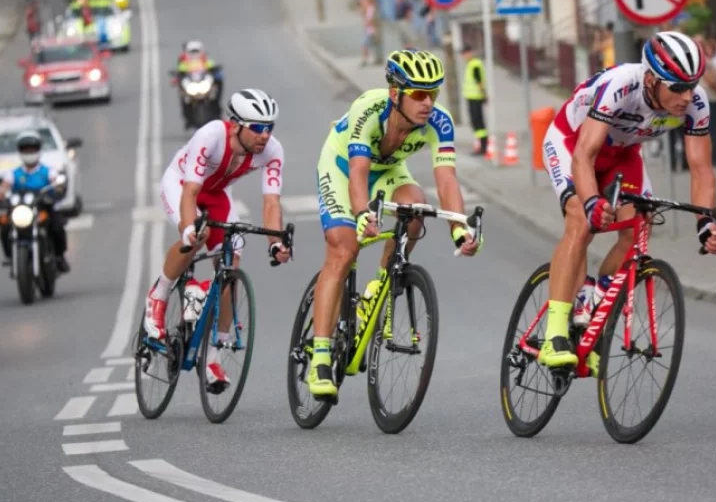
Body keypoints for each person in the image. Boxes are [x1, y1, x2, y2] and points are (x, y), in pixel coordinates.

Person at [539, 31, 716, 369]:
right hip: (572, 144)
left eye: (692, 85)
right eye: (677, 87)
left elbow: (701, 170)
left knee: (638, 229)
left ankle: (594, 300)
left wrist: (706, 223)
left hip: (623, 154)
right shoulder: (621, 85)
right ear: (652, 79)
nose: (687, 96)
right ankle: (554, 334)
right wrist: (591, 202)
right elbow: (585, 155)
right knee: (581, 222)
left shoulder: (696, 102)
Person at [308, 49, 483, 398]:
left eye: (433, 93)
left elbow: (446, 180)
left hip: (387, 170)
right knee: (343, 249)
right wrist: (363, 215)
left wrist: (460, 228)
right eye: (419, 94)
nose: (428, 102)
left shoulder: (439, 122)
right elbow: (358, 172)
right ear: (395, 93)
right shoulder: (369, 109)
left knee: (416, 209)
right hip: (343, 167)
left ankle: (381, 281)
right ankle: (321, 357)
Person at [143, 89, 292, 393]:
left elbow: (271, 203)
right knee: (201, 235)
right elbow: (190, 194)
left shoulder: (273, 151)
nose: (265, 136)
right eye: (258, 128)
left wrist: (275, 243)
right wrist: (188, 229)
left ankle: (213, 356)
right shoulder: (210, 135)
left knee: (231, 262)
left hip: (218, 194)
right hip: (182, 184)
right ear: (236, 124)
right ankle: (157, 297)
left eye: (270, 128)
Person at [0, 131, 70, 273]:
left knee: (57, 227)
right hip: (21, 210)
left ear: (38, 150)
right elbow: (4, 187)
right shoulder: (14, 173)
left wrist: (58, 188)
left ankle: (60, 257)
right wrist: (0, 195)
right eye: (25, 149)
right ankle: (10, 256)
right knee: (4, 227)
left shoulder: (47, 171)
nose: (29, 152)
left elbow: (57, 183)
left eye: (32, 149)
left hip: (43, 208)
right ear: (20, 152)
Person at [461, 44, 488, 155]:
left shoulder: (474, 65)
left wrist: (484, 95)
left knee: (478, 123)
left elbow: (479, 81)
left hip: (476, 98)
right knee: (475, 123)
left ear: (469, 53)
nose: (463, 56)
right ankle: (481, 145)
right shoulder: (471, 64)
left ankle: (483, 146)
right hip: (472, 98)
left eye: (465, 54)